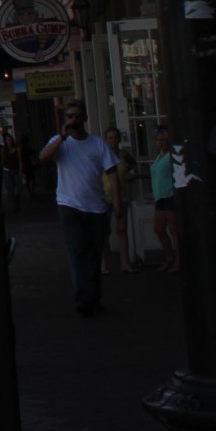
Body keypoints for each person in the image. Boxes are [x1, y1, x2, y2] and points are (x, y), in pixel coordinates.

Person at [40, 99, 118, 315]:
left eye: (76, 116)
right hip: (69, 205)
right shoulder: (60, 142)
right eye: (69, 116)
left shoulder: (97, 144)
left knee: (93, 254)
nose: (73, 120)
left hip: (96, 207)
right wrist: (62, 136)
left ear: (84, 118)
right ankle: (84, 299)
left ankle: (92, 297)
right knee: (77, 252)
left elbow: (112, 173)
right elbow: (43, 156)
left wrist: (118, 204)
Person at [102, 126, 140, 274]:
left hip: (122, 196)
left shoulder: (123, 154)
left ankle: (126, 262)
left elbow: (133, 163)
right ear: (106, 140)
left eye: (115, 137)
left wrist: (126, 176)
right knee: (104, 232)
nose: (113, 140)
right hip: (105, 197)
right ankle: (103, 264)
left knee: (122, 229)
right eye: (110, 138)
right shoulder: (102, 155)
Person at [150, 125, 180, 272]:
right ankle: (169, 257)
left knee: (174, 230)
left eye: (163, 140)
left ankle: (178, 261)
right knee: (159, 229)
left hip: (169, 195)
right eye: (158, 140)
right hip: (159, 197)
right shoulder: (159, 156)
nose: (160, 142)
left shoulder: (171, 156)